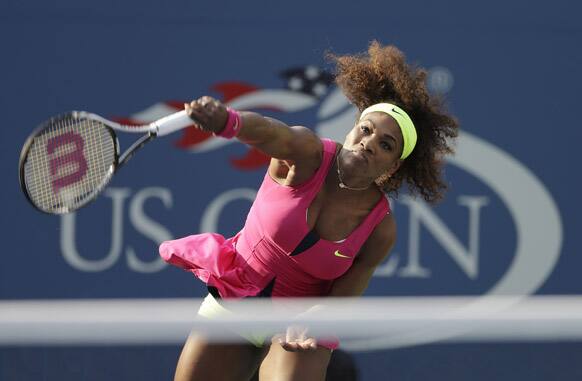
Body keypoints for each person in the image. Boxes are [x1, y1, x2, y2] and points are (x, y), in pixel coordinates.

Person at [159, 41, 459, 381]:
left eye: (386, 145)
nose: (370, 142)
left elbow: (345, 296)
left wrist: (316, 317)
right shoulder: (306, 153)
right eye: (366, 129)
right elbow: (271, 132)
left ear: (393, 166)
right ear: (352, 128)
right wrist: (229, 121)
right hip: (237, 292)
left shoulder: (381, 228)